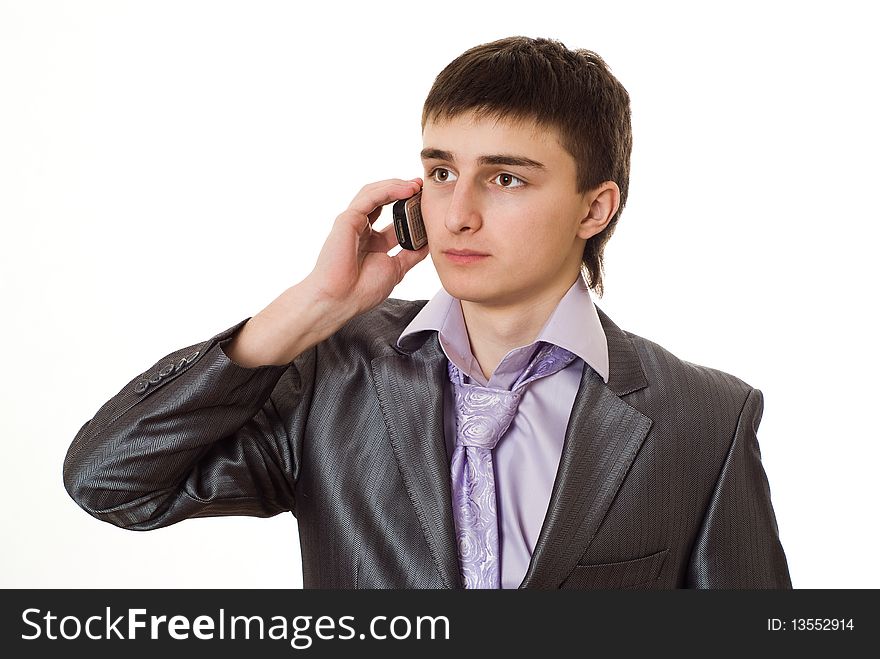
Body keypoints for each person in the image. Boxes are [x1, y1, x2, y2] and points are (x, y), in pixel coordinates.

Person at [63, 36, 791, 589]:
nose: (458, 214)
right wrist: (312, 307)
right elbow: (110, 481)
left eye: (505, 178)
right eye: (442, 172)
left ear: (594, 208)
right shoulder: (333, 372)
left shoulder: (705, 416)